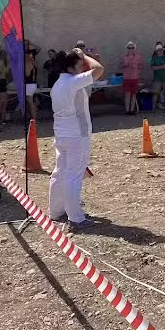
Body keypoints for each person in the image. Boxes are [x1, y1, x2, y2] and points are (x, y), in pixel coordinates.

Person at [49, 48, 104, 231]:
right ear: (72, 67)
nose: (83, 68)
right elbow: (99, 69)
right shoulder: (72, 82)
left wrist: (82, 59)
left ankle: (56, 211)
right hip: (76, 134)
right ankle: (76, 218)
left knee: (60, 172)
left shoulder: (58, 84)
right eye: (80, 66)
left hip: (61, 134)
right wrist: (84, 56)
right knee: (73, 175)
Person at [120, 42, 142, 115]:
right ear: (127, 49)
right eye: (129, 48)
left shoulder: (138, 57)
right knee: (127, 94)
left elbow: (141, 66)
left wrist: (136, 68)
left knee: (134, 94)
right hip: (127, 78)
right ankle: (127, 110)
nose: (131, 49)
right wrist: (125, 65)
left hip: (135, 77)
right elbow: (120, 66)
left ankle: (132, 110)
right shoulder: (124, 57)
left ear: (134, 49)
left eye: (132, 48)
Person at [149, 43, 165, 112]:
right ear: (156, 51)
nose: (160, 51)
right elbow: (152, 67)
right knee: (155, 93)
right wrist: (161, 67)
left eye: (161, 50)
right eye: (159, 50)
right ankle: (153, 108)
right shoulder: (154, 58)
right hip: (157, 78)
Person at [24, 40, 40, 122]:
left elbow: (27, 74)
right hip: (30, 82)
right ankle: (31, 119)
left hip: (29, 83)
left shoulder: (29, 56)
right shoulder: (26, 56)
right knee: (29, 102)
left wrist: (31, 43)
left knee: (30, 103)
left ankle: (33, 120)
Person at [0, 49, 9, 125]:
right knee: (1, 102)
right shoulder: (1, 62)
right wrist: (8, 66)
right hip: (1, 81)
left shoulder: (0, 62)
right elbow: (1, 71)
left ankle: (1, 120)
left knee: (3, 102)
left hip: (2, 81)